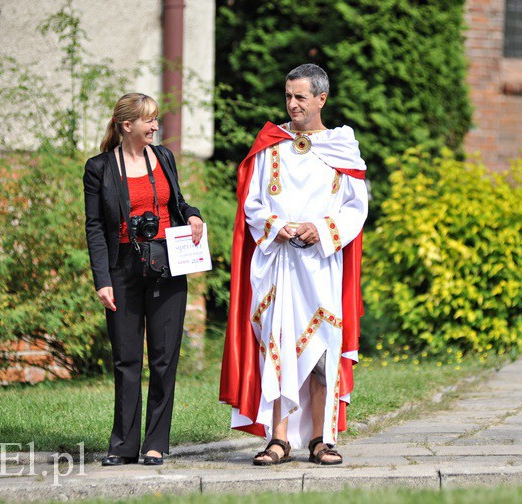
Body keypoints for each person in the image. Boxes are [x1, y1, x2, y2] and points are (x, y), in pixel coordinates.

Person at [219, 64, 369, 466]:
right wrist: (278, 227)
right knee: (277, 348)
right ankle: (278, 439)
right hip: (278, 266)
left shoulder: (342, 148)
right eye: (288, 96)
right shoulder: (272, 145)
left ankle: (321, 439)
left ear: (322, 99)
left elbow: (356, 208)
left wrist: (320, 228)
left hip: (321, 266)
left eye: (301, 97)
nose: (292, 104)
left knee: (321, 351)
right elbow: (251, 203)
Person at [84, 93, 203, 466]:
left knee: (165, 359)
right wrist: (102, 279)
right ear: (127, 126)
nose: (155, 126)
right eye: (149, 121)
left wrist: (194, 216)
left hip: (167, 264)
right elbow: (95, 228)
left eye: (155, 120)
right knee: (127, 359)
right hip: (122, 269)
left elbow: (178, 204)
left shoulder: (163, 158)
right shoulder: (99, 168)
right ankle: (122, 445)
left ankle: (155, 443)